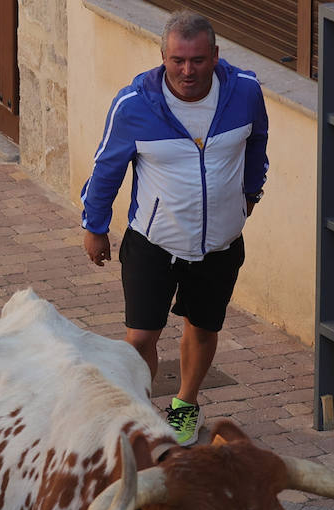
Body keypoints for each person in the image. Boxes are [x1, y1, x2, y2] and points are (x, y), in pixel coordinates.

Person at [80, 11, 268, 446]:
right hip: (153, 241)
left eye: (198, 60)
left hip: (220, 243)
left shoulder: (245, 92)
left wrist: (251, 192)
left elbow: (258, 140)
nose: (188, 70)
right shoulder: (133, 105)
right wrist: (95, 226)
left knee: (203, 328)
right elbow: (106, 168)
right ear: (163, 55)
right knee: (141, 334)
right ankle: (143, 412)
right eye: (178, 60)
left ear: (215, 55)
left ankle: (185, 404)